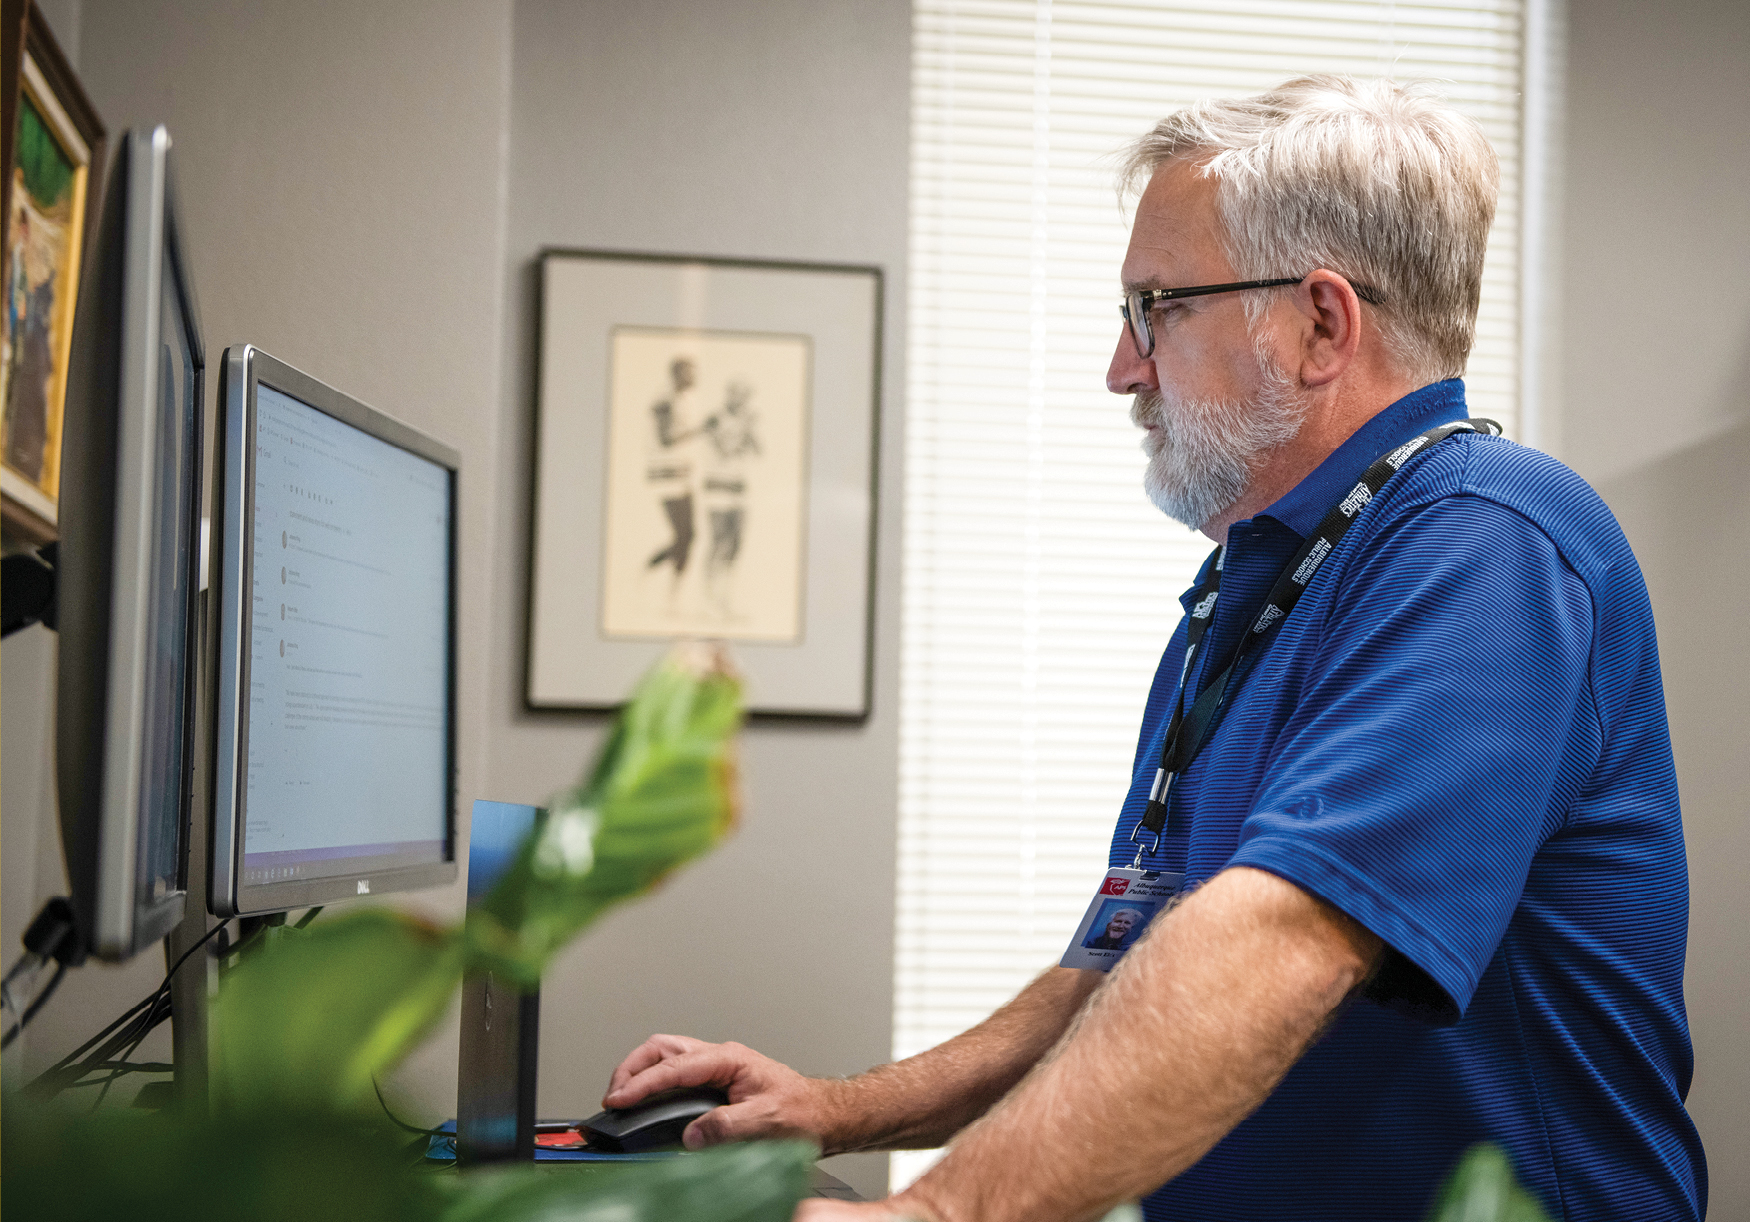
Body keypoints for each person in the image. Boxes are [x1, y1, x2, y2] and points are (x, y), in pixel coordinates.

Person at [602, 77, 1707, 1220]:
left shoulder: (1487, 541)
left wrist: (932, 1214)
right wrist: (842, 1109)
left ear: (1319, 323)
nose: (1122, 368)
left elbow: (1280, 937)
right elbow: (1118, 971)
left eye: (1156, 306)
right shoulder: (1256, 585)